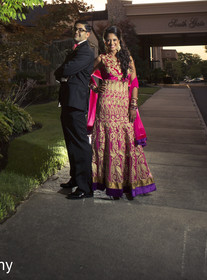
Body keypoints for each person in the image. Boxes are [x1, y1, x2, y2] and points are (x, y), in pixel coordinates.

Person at [90, 25, 156, 199]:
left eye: (114, 40)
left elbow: (134, 83)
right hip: (106, 106)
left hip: (123, 106)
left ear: (119, 41)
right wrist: (95, 88)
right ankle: (111, 184)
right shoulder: (101, 58)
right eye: (108, 40)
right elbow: (86, 75)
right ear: (104, 42)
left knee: (127, 142)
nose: (111, 43)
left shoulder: (128, 59)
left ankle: (129, 183)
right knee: (109, 144)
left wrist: (133, 105)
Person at [55, 21, 94, 199]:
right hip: (68, 101)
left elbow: (67, 69)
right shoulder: (76, 50)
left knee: (80, 144)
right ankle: (75, 179)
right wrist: (62, 73)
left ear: (88, 34)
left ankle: (85, 187)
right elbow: (60, 72)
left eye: (81, 30)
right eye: (76, 29)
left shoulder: (86, 52)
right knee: (71, 143)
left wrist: (63, 73)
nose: (77, 32)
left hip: (76, 103)